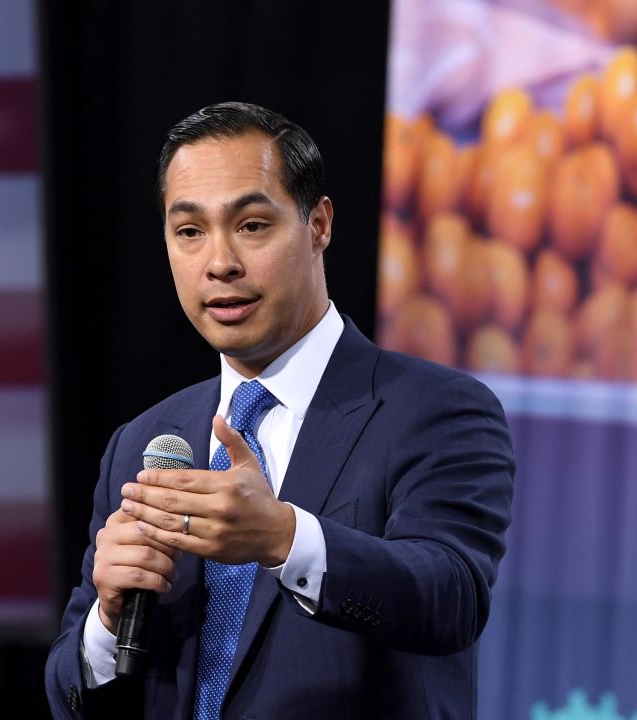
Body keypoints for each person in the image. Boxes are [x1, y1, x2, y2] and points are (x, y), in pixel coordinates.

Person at [45, 102, 515, 718]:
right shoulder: (143, 443)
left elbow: (450, 597)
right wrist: (106, 622)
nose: (220, 262)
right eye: (190, 232)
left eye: (252, 225)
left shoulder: (435, 410)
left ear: (318, 225)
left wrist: (284, 538)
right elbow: (69, 691)